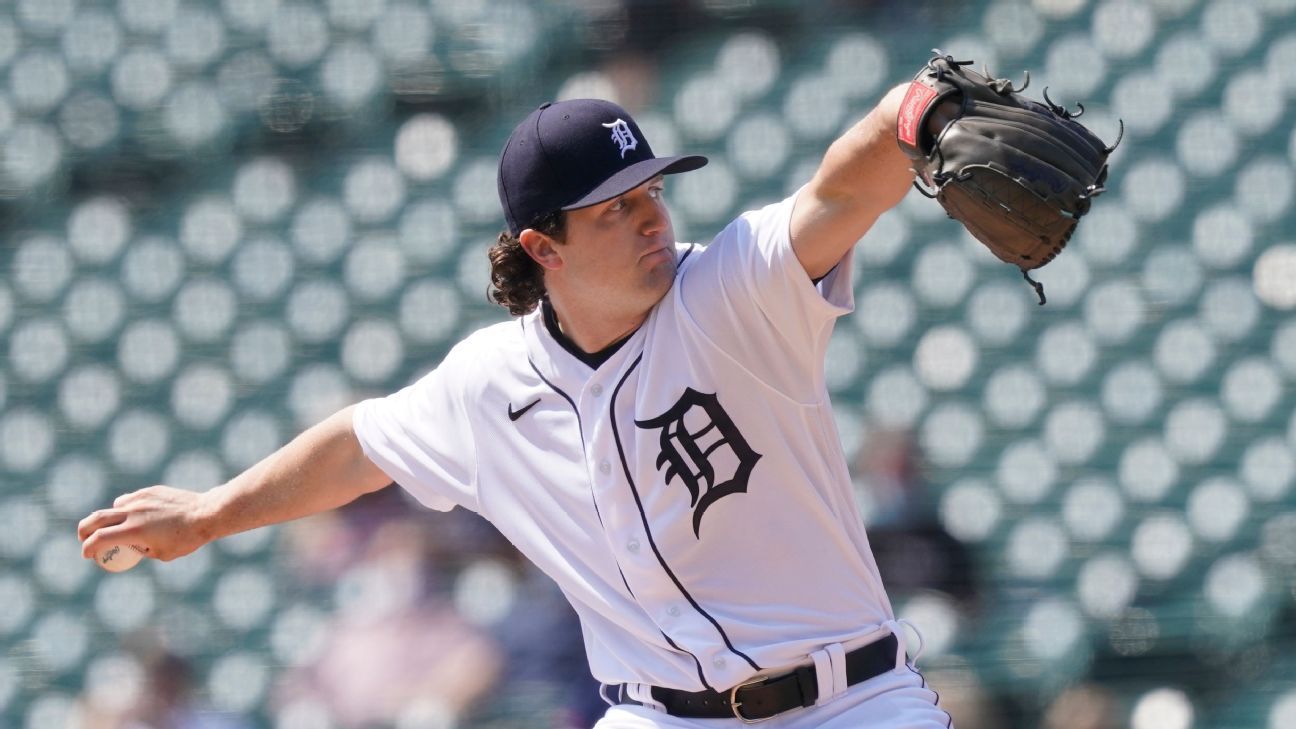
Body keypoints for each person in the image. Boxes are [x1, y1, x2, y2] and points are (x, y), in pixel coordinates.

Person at [80, 87, 956, 727]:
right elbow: (356, 446)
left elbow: (841, 193)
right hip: (662, 716)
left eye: (654, 191)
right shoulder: (486, 384)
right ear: (545, 246)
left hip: (853, 700)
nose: (652, 217)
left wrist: (912, 114)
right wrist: (207, 513)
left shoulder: (731, 289)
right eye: (617, 209)